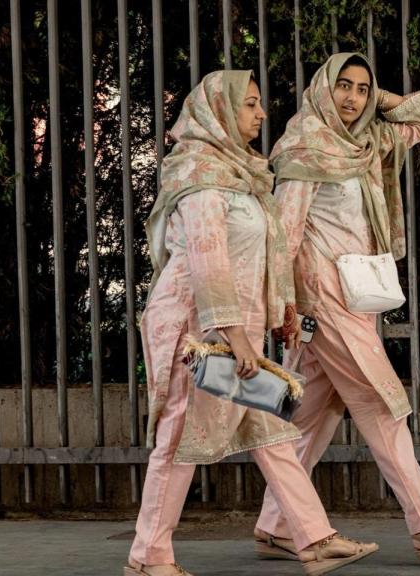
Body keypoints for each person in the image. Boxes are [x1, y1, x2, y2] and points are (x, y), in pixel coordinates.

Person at [126, 69, 376, 576]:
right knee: (178, 438)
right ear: (218, 109)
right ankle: (148, 555)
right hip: (193, 327)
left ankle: (313, 538)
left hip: (238, 328)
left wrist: (282, 308)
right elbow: (207, 259)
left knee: (268, 429)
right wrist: (235, 334)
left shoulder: (245, 173)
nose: (262, 114)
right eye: (251, 104)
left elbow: (268, 250)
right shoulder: (196, 172)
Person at [254, 53, 420, 566]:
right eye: (343, 86)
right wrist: (283, 305)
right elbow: (284, 235)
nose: (353, 97)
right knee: (380, 405)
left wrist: (379, 97)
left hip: (357, 297)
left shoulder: (366, 143)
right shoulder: (304, 147)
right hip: (321, 297)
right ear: (321, 89)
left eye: (362, 88)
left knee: (314, 412)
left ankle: (274, 525)